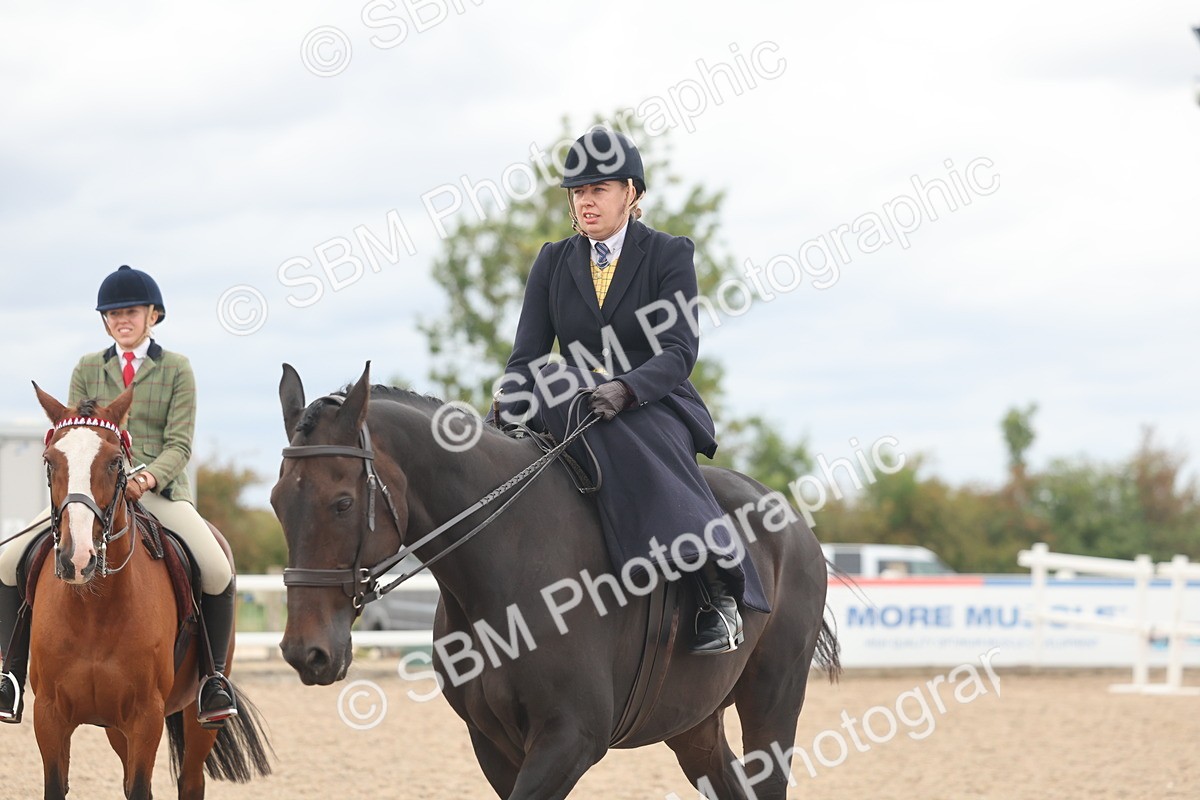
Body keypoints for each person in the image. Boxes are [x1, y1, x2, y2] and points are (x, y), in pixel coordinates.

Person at [492, 128, 769, 654]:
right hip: (571, 400)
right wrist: (501, 411)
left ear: (631, 194)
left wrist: (626, 389)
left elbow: (679, 350)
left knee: (626, 432)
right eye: (578, 192)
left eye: (599, 188)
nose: (586, 200)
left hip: (653, 397)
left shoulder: (668, 254)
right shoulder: (552, 262)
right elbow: (526, 356)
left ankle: (712, 591)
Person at [0, 265, 238, 727]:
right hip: (90, 491)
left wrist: (147, 480)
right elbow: (69, 433)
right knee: (8, 560)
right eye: (111, 314)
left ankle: (213, 680)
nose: (120, 320)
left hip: (158, 491)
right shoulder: (88, 368)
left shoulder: (177, 369)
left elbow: (180, 444)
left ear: (153, 315)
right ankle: (9, 672)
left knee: (216, 567)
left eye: (129, 311)